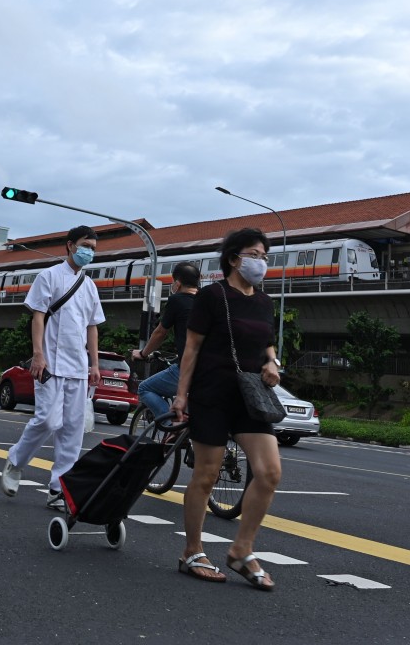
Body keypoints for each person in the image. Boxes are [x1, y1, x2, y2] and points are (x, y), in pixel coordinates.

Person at [171, 228, 282, 589]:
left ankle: (241, 550)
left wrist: (272, 363)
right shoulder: (211, 296)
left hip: (250, 397)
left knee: (269, 472)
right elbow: (191, 348)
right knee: (206, 474)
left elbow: (267, 343)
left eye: (265, 256)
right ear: (234, 258)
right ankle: (192, 551)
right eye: (254, 254)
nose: (261, 262)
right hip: (213, 393)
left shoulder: (265, 302)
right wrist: (181, 395)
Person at [1, 226, 105, 510]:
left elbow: (92, 327)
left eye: (94, 248)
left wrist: (94, 364)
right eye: (86, 245)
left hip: (78, 367)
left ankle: (59, 489)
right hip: (50, 364)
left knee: (73, 430)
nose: (90, 252)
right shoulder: (49, 276)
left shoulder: (90, 285)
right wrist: (38, 354)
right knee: (47, 420)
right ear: (70, 245)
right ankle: (16, 460)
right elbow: (38, 317)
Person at [130, 262, 202, 416]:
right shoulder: (206, 301)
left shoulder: (177, 300)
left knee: (144, 388)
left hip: (188, 368)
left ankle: (172, 426)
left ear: (177, 283)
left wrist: (143, 353)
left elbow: (160, 332)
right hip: (210, 368)